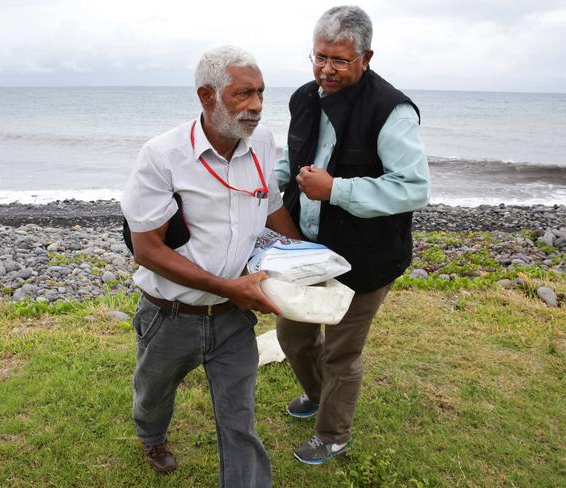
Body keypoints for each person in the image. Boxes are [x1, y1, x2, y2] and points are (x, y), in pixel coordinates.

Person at [121, 46, 299, 487]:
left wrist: (307, 257)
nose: (256, 106)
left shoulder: (263, 141)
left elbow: (271, 201)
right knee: (153, 396)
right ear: (207, 96)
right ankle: (153, 436)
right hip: (169, 314)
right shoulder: (161, 155)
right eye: (243, 94)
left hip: (233, 317)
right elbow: (146, 248)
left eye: (261, 93)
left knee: (240, 422)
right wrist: (229, 285)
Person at [274, 6, 431, 465]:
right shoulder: (305, 98)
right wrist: (257, 187)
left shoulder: (391, 110)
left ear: (365, 57)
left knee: (342, 351)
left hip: (366, 256)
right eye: (320, 57)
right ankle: (322, 396)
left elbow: (415, 188)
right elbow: (291, 160)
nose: (327, 69)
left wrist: (335, 190)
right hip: (305, 249)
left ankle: (333, 432)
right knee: (293, 337)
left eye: (340, 60)